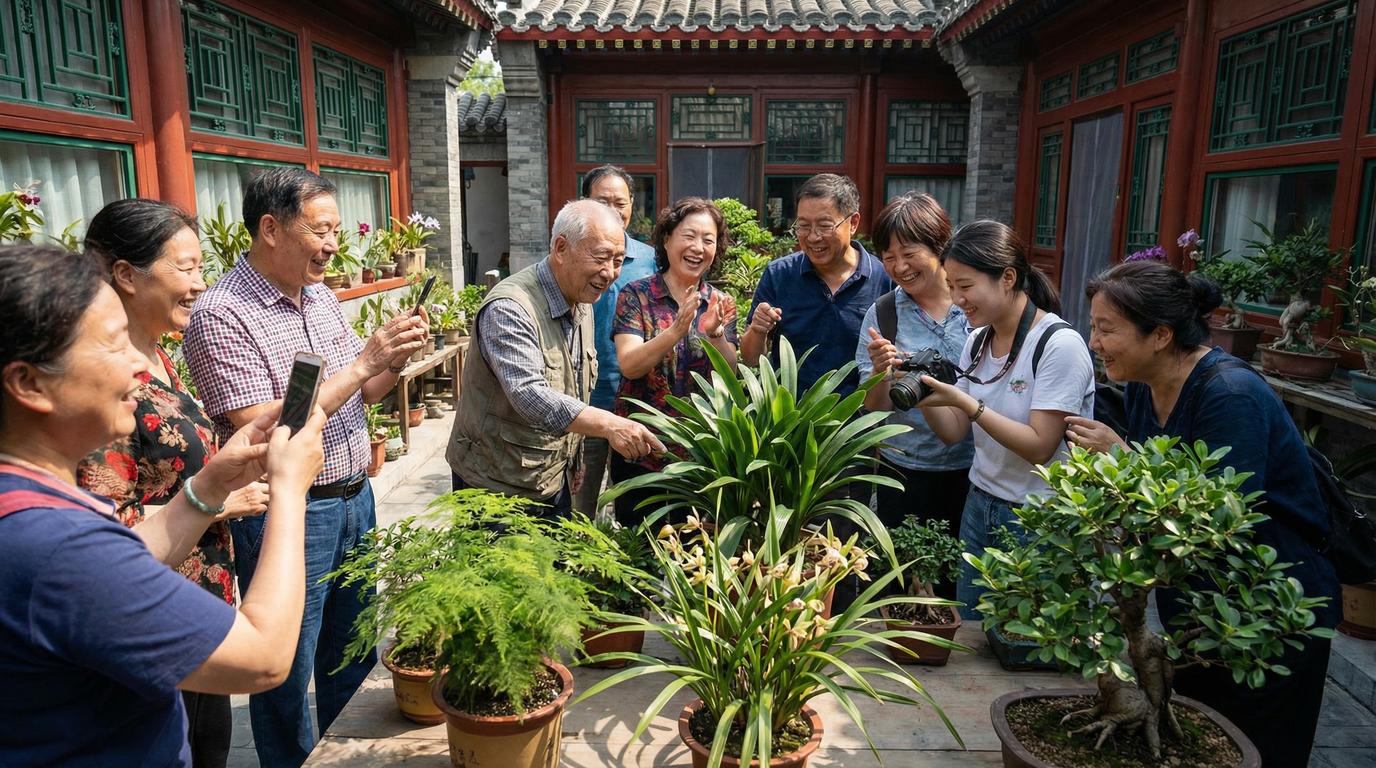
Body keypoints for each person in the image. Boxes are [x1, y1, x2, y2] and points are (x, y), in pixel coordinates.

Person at [0, 244, 326, 767]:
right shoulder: (57, 549)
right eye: (113, 345)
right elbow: (262, 659)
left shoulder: (27, 503)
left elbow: (132, 554)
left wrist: (209, 485)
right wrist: (290, 490)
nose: (138, 365)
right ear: (29, 383)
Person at [183, 168, 429, 768]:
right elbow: (261, 425)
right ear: (270, 228)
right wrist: (361, 361)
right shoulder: (220, 313)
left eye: (336, 230)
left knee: (352, 653)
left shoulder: (319, 296)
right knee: (283, 667)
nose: (334, 245)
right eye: (320, 230)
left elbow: (363, 392)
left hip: (354, 498)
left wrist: (390, 359)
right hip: (291, 511)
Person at [1063, 260, 1340, 768]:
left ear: (1161, 335)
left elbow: (1223, 514)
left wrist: (1123, 458)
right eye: (1093, 327)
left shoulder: (1230, 394)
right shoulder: (1147, 386)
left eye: (1106, 329)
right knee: (1194, 729)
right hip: (1197, 596)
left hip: (1269, 601)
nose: (1093, 342)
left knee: (1257, 743)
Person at [76, 199, 271, 768]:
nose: (199, 285)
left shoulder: (161, 355)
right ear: (126, 276)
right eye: (185, 268)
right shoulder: (109, 389)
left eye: (200, 267)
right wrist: (217, 502)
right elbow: (103, 536)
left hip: (199, 601)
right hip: (154, 615)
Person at [915, 220, 1095, 617]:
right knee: (975, 631)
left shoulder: (1059, 344)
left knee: (1025, 644)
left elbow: (1040, 446)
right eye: (952, 286)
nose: (958, 298)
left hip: (1039, 516)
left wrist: (967, 405)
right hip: (980, 504)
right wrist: (922, 397)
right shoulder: (978, 340)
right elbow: (955, 432)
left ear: (1008, 277)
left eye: (966, 286)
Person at [447, 199, 664, 515]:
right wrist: (608, 424)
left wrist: (572, 459)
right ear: (561, 248)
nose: (610, 273)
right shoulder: (510, 308)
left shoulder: (583, 297)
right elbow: (530, 395)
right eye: (602, 257)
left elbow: (573, 382)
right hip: (495, 486)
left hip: (549, 478)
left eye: (618, 260)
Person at [857, 194, 973, 597]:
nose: (899, 267)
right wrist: (878, 372)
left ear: (940, 245)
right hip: (902, 472)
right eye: (888, 257)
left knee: (958, 584)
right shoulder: (885, 313)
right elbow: (874, 408)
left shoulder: (974, 309)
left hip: (971, 471)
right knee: (903, 586)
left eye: (909, 253)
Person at [610, 197, 738, 525]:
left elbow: (732, 372)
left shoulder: (718, 302)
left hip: (700, 455)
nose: (698, 247)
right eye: (689, 236)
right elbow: (629, 364)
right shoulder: (635, 295)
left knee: (693, 551)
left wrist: (716, 336)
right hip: (641, 449)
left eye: (708, 240)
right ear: (667, 239)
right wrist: (676, 330)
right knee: (640, 550)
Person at [742, 173, 893, 396]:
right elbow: (751, 358)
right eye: (803, 226)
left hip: (857, 423)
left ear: (853, 223)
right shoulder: (779, 274)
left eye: (824, 226)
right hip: (789, 419)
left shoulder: (883, 278)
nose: (813, 237)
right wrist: (758, 330)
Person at [576, 165, 657, 517]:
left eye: (619, 202)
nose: (612, 209)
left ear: (632, 205)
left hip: (639, 405)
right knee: (581, 504)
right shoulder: (571, 260)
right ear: (584, 203)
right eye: (601, 201)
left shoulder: (653, 260)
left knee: (634, 507)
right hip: (585, 402)